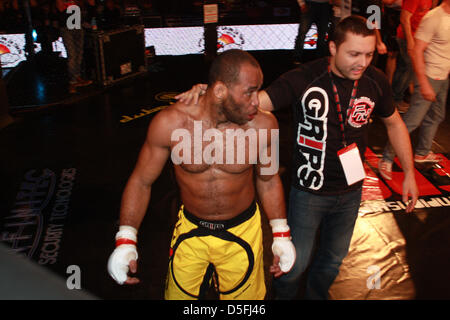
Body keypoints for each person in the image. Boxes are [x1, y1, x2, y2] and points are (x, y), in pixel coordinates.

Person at [176, 15, 419, 300]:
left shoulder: (375, 81)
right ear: (332, 48)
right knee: (293, 265)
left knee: (332, 261)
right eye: (353, 54)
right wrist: (210, 93)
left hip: (352, 191)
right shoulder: (304, 78)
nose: (362, 62)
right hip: (308, 194)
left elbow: (394, 123)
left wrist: (410, 174)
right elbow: (251, 104)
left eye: (367, 54)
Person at [107, 49, 296, 300]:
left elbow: (269, 179)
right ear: (219, 91)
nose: (256, 101)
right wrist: (126, 239)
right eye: (249, 92)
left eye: (258, 90)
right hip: (191, 231)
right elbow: (141, 181)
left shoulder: (264, 124)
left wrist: (281, 234)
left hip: (244, 230)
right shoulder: (171, 123)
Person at [378, 0, 449, 178]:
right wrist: (423, 83)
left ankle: (422, 152)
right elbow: (417, 51)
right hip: (429, 75)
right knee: (412, 121)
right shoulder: (434, 18)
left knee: (436, 115)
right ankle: (386, 157)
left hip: (443, 76)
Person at [391, 0, 432, 112]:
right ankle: (394, 100)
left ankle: (395, 98)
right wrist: (410, 41)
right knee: (407, 69)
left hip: (415, 37)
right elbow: (404, 18)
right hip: (407, 38)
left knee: (406, 69)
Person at [56, 0, 93, 94]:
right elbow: (60, 8)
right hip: (67, 27)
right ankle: (73, 81)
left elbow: (88, 5)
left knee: (79, 53)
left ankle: (77, 76)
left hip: (77, 25)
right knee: (72, 54)